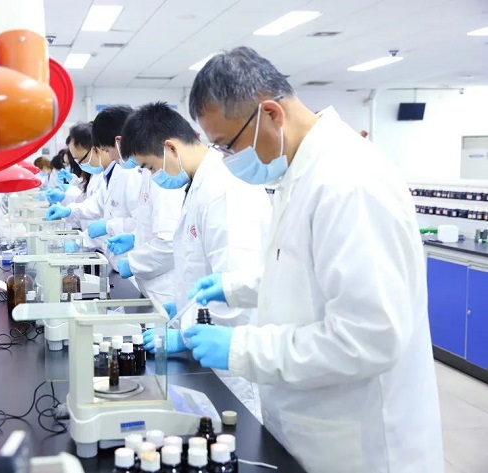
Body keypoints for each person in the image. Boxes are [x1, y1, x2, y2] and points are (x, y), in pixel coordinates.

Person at [184, 46, 443, 472]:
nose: (227, 160)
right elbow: (303, 274)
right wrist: (234, 287)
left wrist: (242, 348)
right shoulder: (301, 169)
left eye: (227, 146)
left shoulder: (348, 182)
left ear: (271, 114)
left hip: (360, 445)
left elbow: (368, 338)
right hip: (313, 428)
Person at [125, 102, 270, 347]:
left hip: (230, 344)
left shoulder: (222, 189)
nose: (152, 175)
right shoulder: (200, 183)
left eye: (150, 167)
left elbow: (234, 283)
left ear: (171, 148)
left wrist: (187, 337)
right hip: (206, 331)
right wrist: (183, 308)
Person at [103, 113, 186, 304]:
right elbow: (154, 224)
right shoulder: (152, 170)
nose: (109, 156)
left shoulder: (165, 175)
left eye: (107, 150)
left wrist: (133, 263)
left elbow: (169, 240)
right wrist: (135, 237)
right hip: (154, 287)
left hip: (165, 290)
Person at [46, 106, 142, 270]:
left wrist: (107, 227)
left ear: (95, 149)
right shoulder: (109, 175)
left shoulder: (129, 173)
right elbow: (95, 204)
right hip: (118, 260)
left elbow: (141, 222)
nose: (79, 165)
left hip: (133, 262)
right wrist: (69, 210)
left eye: (80, 160)